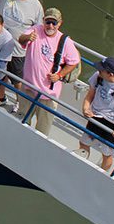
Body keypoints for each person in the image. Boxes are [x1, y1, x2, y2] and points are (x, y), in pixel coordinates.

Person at [16, 8, 80, 136]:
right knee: (21, 124)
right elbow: (21, 39)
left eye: (54, 23)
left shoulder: (65, 41)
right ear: (43, 21)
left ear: (60, 23)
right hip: (28, 88)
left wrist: (59, 75)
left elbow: (74, 61)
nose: (50, 25)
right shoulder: (35, 29)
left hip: (48, 95)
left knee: (42, 132)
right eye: (47, 21)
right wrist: (28, 37)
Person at [77, 56, 114, 172]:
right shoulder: (98, 77)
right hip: (96, 118)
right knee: (84, 142)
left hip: (112, 124)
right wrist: (85, 108)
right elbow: (90, 95)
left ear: (110, 74)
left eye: (101, 70)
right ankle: (81, 166)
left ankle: (102, 173)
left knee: (107, 153)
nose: (98, 71)